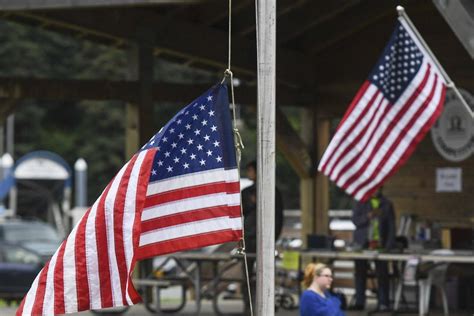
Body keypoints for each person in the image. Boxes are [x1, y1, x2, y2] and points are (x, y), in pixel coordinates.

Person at [241, 160, 284, 315]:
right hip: (249, 236)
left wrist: (274, 237)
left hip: (266, 238)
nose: (249, 174)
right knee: (246, 272)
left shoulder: (273, 191)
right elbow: (242, 210)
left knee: (266, 272)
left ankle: (268, 303)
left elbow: (278, 215)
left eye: (250, 170)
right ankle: (248, 304)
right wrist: (254, 204)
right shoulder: (246, 192)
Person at [351, 187, 396, 311]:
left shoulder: (387, 204)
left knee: (382, 273)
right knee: (360, 272)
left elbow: (391, 226)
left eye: (378, 188)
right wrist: (368, 216)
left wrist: (389, 245)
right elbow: (355, 221)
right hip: (362, 242)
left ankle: (383, 303)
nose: (376, 191)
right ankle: (359, 302)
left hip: (380, 243)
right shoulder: (360, 201)